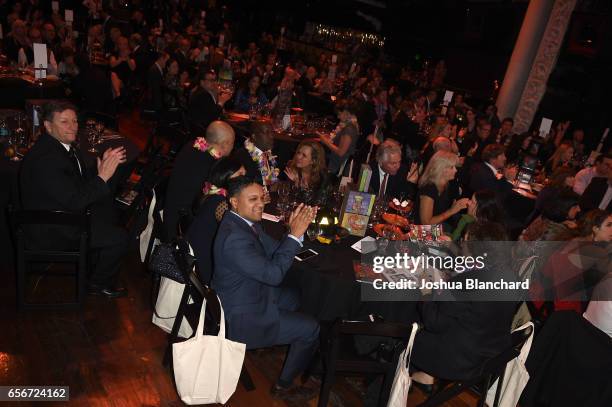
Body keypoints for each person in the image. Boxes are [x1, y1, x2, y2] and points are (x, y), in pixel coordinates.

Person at [212, 177, 320, 401]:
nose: (260, 203)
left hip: (247, 293)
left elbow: (273, 250)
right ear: (234, 201)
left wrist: (293, 234)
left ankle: (282, 343)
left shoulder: (244, 222)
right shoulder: (235, 237)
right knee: (311, 328)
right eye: (253, 199)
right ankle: (284, 385)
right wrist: (294, 236)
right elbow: (273, 276)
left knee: (295, 297)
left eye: (262, 198)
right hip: (242, 317)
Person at [19, 101, 128, 298]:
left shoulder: (61, 146)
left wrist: (99, 171)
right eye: (64, 122)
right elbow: (75, 201)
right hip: (50, 228)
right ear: (47, 125)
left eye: (75, 121)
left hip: (59, 214)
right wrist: (102, 176)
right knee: (120, 238)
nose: (73, 126)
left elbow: (74, 183)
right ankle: (97, 284)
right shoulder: (46, 159)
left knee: (108, 214)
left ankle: (92, 268)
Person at [411, 221, 518, 384]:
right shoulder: (511, 276)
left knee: (407, 317)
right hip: (491, 354)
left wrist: (425, 288)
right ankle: (427, 376)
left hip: (459, 362)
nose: (462, 244)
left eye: (465, 241)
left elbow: (433, 322)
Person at [164, 121, 235, 239]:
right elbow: (210, 201)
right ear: (224, 144)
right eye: (232, 143)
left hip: (172, 210)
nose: (233, 148)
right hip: (181, 225)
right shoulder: (210, 166)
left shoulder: (192, 146)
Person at [187, 157, 245, 284]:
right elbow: (239, 232)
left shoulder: (214, 195)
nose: (245, 179)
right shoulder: (222, 203)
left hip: (198, 257)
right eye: (240, 174)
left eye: (244, 175)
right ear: (225, 176)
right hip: (205, 267)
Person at [415, 150, 469, 228]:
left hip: (437, 227)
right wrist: (452, 210)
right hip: (421, 232)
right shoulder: (429, 189)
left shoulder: (445, 184)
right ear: (441, 169)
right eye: (451, 167)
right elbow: (426, 222)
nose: (455, 170)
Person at [320, 99, 360, 175]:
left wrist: (325, 141)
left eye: (339, 114)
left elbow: (341, 152)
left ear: (346, 113)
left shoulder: (349, 129)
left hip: (337, 164)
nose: (338, 117)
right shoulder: (351, 124)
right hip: (337, 160)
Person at [232, 121, 278, 187]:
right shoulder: (243, 156)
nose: (271, 136)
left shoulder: (269, 155)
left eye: (272, 132)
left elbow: (272, 181)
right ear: (254, 136)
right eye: (267, 132)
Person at [187, 69, 233, 135]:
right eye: (211, 80)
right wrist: (221, 102)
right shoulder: (203, 94)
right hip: (202, 134)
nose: (214, 83)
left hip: (199, 130)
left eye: (215, 80)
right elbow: (213, 116)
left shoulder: (203, 92)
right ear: (202, 82)